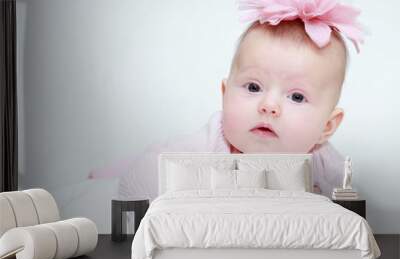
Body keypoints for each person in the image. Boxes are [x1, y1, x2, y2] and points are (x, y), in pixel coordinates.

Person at [89, 0, 363, 200]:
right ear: (225, 94)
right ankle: (108, 172)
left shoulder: (323, 162)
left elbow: (348, 205)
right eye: (253, 86)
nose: (268, 106)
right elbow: (141, 181)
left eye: (296, 96)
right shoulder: (209, 145)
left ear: (327, 127)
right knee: (128, 173)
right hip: (171, 173)